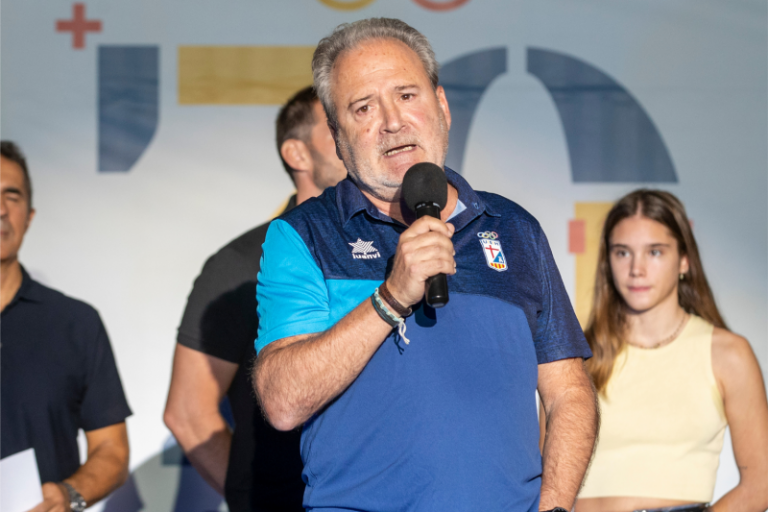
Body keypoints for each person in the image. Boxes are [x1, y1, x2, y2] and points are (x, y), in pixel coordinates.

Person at [253, 18, 599, 512]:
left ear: (441, 105)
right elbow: (283, 403)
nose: (392, 121)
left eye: (406, 95)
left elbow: (569, 393)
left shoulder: (514, 228)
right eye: (363, 107)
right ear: (336, 134)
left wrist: (556, 505)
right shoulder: (303, 235)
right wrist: (390, 298)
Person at [163, 86, 347, 512]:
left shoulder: (393, 251)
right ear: (297, 154)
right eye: (334, 126)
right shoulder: (241, 263)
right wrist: (256, 499)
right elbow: (187, 413)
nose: (355, 134)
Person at [575, 190, 768, 512]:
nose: (636, 269)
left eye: (654, 252)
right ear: (608, 262)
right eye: (622, 252)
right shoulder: (576, 355)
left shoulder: (727, 354)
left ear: (684, 259)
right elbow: (547, 478)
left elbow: (760, 485)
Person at [0, 141, 132, 512]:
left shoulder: (75, 323)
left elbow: (112, 450)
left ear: (29, 216)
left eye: (12, 196)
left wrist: (68, 495)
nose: (0, 209)